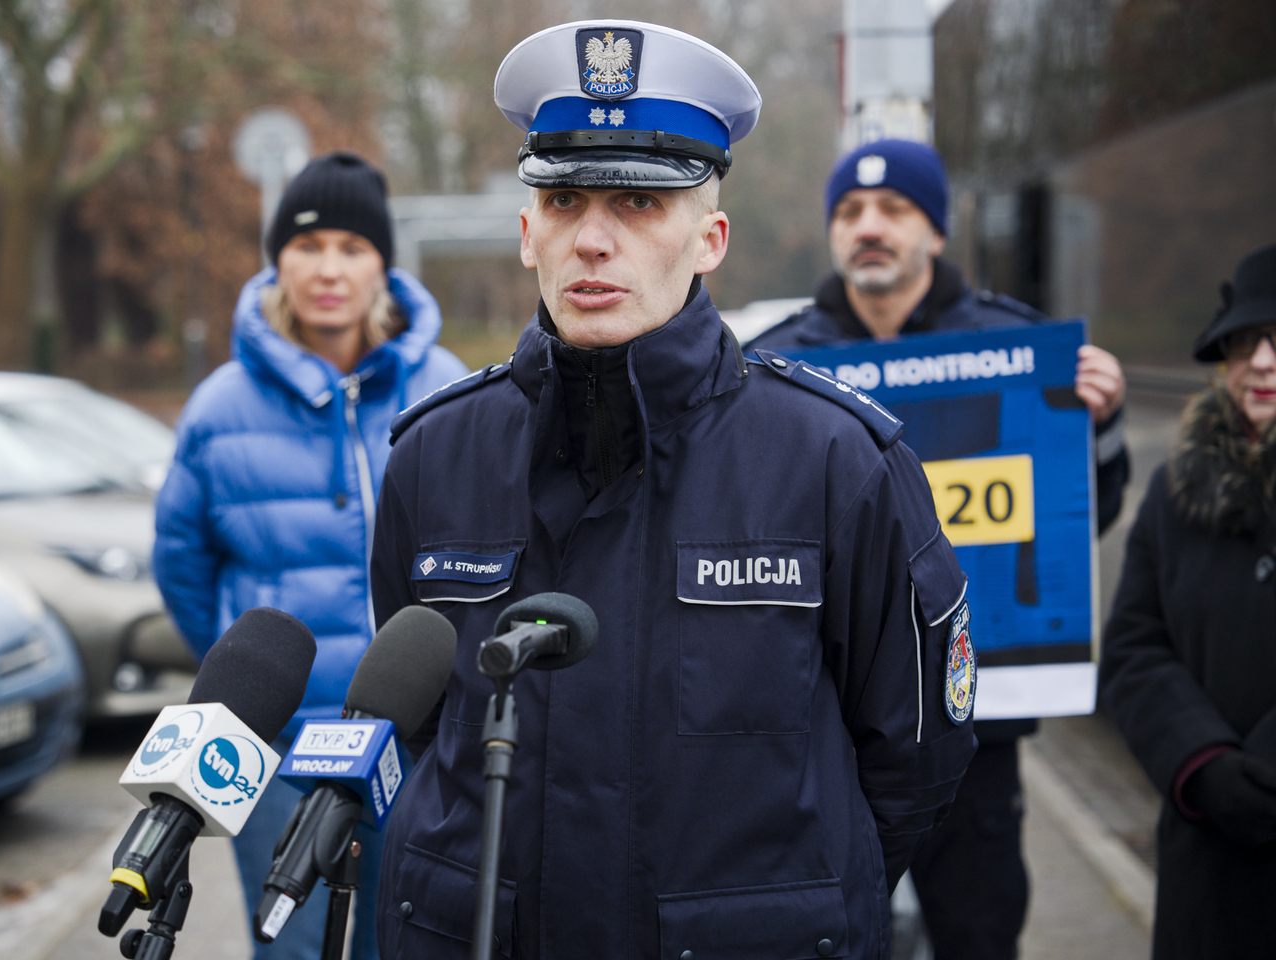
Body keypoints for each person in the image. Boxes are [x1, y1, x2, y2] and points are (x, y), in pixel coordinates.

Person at [368, 21, 977, 959]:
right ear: (527, 235)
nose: (593, 240)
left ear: (709, 240)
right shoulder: (434, 456)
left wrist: (788, 904)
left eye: (640, 202)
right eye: (563, 200)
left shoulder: (834, 460)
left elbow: (915, 755)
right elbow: (426, 725)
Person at [746, 138, 1132, 960]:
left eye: (894, 209)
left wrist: (1096, 430)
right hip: (822, 729)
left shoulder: (1021, 348)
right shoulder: (775, 363)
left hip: (976, 726)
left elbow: (1075, 523)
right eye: (851, 211)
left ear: (938, 231)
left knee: (978, 931)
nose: (869, 226)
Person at [151, 151, 467, 960]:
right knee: (287, 945)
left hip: (411, 745)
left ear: (382, 266)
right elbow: (183, 566)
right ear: (278, 262)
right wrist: (259, 681)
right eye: (307, 245)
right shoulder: (220, 407)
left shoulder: (445, 388)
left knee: (404, 941)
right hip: (275, 756)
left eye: (352, 248)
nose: (329, 269)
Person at [1099, 242, 1276, 959]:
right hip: (1209, 856)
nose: (1261, 361)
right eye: (1244, 342)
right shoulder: (1177, 494)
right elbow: (1134, 646)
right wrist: (1204, 765)